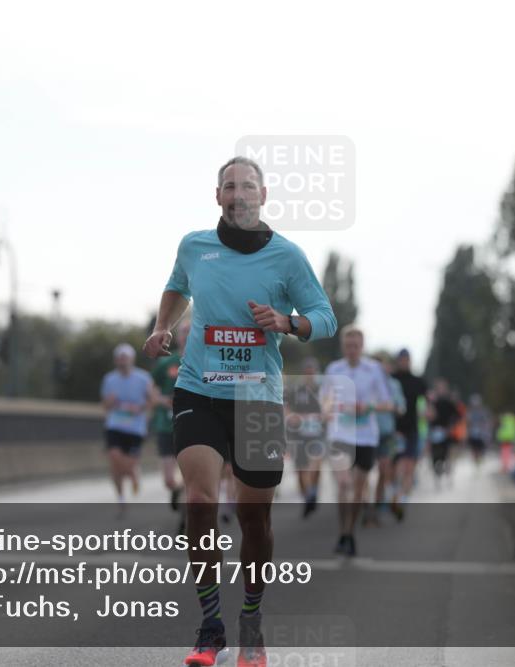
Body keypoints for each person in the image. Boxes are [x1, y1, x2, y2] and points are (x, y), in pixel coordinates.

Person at [143, 156, 335, 667]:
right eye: (230, 186)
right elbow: (177, 287)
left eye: (247, 186)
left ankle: (251, 618)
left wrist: (287, 322)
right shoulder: (194, 246)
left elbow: (325, 317)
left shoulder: (287, 256)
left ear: (263, 196)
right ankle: (210, 626)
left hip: (258, 398)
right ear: (218, 196)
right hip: (199, 389)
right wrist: (163, 327)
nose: (238, 194)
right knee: (200, 502)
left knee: (255, 519)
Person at [322, 326, 392, 556]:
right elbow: (324, 400)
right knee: (343, 484)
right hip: (340, 434)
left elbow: (387, 403)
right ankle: (342, 533)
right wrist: (329, 409)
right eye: (348, 346)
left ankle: (350, 533)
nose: (352, 350)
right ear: (343, 347)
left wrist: (367, 406)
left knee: (359, 491)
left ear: (362, 347)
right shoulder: (334, 369)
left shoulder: (374, 370)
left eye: (356, 346)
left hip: (365, 436)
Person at [101, 343, 154, 515]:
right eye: (120, 358)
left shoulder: (144, 378)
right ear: (116, 360)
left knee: (129, 466)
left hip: (135, 427)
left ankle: (133, 474)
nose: (122, 361)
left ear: (132, 359)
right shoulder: (109, 379)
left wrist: (139, 408)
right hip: (115, 424)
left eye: (125, 358)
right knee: (114, 459)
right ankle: (121, 499)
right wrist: (111, 401)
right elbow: (106, 406)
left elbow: (151, 401)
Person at [151, 320, 190, 512]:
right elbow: (152, 391)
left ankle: (186, 521)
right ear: (178, 336)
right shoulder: (166, 362)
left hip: (192, 425)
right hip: (167, 425)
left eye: (191, 331)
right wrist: (163, 400)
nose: (187, 335)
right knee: (168, 479)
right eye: (183, 332)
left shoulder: (206, 361)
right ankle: (177, 491)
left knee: (192, 477)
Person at [283, 357, 325, 518]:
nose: (310, 373)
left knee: (316, 463)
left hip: (316, 434)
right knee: (301, 470)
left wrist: (321, 416)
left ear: (315, 371)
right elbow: (286, 407)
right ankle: (307, 496)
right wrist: (293, 416)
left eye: (312, 370)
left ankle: (313, 492)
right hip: (298, 435)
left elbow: (329, 406)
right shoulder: (296, 389)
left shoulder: (321, 389)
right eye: (307, 370)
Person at [390, 349, 428, 519]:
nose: (404, 362)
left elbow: (427, 402)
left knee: (409, 467)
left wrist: (429, 413)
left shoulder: (418, 381)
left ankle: (403, 499)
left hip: (412, 429)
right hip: (394, 430)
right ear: (398, 361)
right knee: (395, 468)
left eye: (407, 359)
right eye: (402, 359)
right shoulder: (391, 379)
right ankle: (394, 495)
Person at [370, 355, 405, 526]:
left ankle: (379, 506)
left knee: (384, 470)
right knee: (363, 474)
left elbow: (400, 407)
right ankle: (368, 507)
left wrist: (391, 406)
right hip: (365, 435)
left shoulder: (393, 384)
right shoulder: (364, 383)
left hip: (386, 433)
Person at [427, 379, 460, 486]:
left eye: (443, 388)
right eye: (439, 388)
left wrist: (450, 426)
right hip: (434, 432)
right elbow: (427, 416)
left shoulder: (449, 402)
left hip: (446, 432)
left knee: (447, 456)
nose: (441, 390)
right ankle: (437, 474)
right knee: (435, 456)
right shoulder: (432, 402)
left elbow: (458, 416)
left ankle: (448, 476)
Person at [466, 394, 492, 468]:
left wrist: (485, 430)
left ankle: (480, 459)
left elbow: (486, 422)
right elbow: (468, 422)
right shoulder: (470, 412)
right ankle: (476, 460)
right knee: (473, 448)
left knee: (481, 447)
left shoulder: (483, 412)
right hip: (473, 434)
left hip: (481, 434)